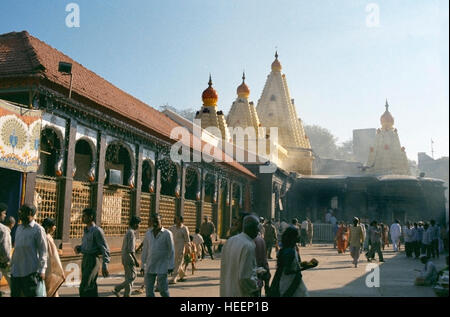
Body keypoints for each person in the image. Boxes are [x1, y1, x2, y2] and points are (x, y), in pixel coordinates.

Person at [10, 204, 48, 297]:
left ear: (30, 213)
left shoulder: (38, 229)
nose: (19, 214)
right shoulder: (19, 228)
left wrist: (42, 270)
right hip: (16, 271)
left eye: (22, 212)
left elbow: (43, 251)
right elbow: (17, 248)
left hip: (30, 272)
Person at [268, 226, 317, 297]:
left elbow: (293, 265)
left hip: (287, 281)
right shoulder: (290, 251)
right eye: (297, 235)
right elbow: (288, 271)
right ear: (293, 237)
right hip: (290, 282)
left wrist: (304, 264)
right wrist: (306, 267)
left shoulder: (289, 249)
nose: (299, 237)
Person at [220, 214, 260, 297]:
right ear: (252, 228)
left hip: (228, 290)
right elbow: (245, 277)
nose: (258, 231)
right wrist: (256, 286)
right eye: (257, 228)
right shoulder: (248, 245)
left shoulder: (230, 241)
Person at [74, 208, 110, 297]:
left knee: (85, 286)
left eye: (84, 216)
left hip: (93, 260)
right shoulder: (86, 230)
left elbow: (105, 248)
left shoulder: (97, 231)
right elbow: (86, 246)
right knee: (91, 286)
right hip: (85, 258)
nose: (82, 218)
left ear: (91, 217)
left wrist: (105, 265)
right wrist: (79, 248)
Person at [141, 213, 175, 297]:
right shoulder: (148, 233)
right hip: (150, 265)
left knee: (163, 290)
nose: (155, 223)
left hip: (162, 266)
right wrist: (142, 265)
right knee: (149, 292)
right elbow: (145, 249)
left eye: (157, 221)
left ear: (161, 221)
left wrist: (171, 266)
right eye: (153, 221)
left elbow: (171, 250)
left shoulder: (167, 233)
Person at [113, 215, 141, 297]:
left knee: (128, 276)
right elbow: (131, 250)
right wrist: (136, 261)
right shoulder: (131, 233)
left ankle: (127, 294)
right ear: (135, 224)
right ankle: (118, 288)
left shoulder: (129, 232)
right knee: (133, 276)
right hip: (129, 257)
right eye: (139, 224)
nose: (139, 226)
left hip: (125, 256)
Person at [41, 218, 65, 297]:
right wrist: (60, 270)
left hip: (42, 268)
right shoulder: (48, 238)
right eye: (53, 225)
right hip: (49, 269)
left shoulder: (41, 236)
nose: (55, 227)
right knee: (52, 291)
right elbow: (54, 255)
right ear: (49, 227)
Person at [169, 215, 190, 284]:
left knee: (178, 262)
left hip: (181, 248)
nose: (177, 221)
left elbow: (187, 240)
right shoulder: (172, 228)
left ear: (181, 220)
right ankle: (182, 275)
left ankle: (174, 278)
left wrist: (188, 248)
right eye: (176, 219)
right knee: (176, 263)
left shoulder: (184, 228)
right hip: (172, 248)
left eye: (178, 220)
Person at [0, 212, 14, 295]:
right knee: (12, 281)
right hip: (3, 262)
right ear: (12, 224)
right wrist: (7, 260)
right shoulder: (4, 231)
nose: (4, 215)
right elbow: (5, 248)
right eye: (4, 213)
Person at [254, 224, 270, 296]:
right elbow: (264, 256)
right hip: (262, 266)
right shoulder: (261, 240)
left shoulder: (250, 241)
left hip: (254, 267)